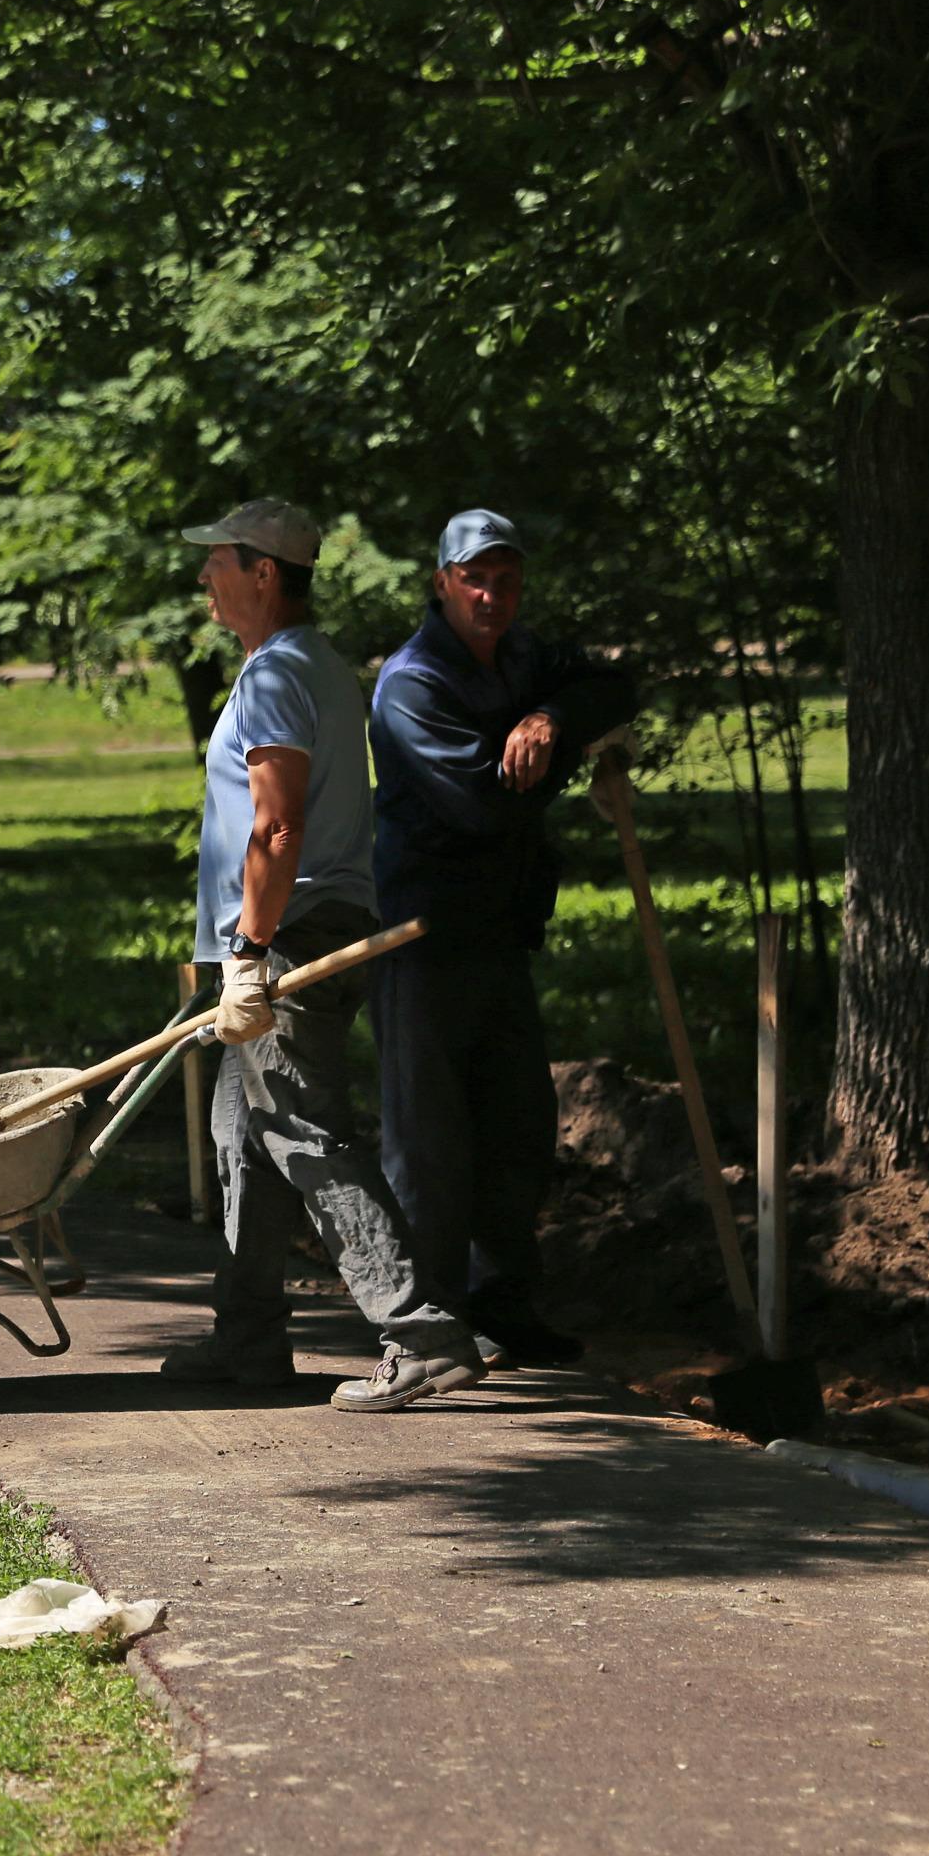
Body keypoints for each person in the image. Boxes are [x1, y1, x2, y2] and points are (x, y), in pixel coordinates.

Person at [165, 498, 487, 1410]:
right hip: (309, 924)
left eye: (218, 562)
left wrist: (249, 953)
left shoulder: (276, 676)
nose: (205, 579)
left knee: (300, 1130)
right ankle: (249, 1341)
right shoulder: (317, 666)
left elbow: (277, 824)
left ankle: (421, 1332)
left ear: (263, 572)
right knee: (244, 1137)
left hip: (286, 934)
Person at [367, 509, 637, 1381]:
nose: (492, 594)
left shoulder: (524, 660)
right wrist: (554, 746)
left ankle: (504, 1306)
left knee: (519, 1126)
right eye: (475, 578)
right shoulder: (411, 683)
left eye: (507, 579)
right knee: (428, 1140)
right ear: (442, 582)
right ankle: (428, 1326)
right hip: (422, 939)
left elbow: (617, 685)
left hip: (501, 934)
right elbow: (485, 803)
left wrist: (553, 717)